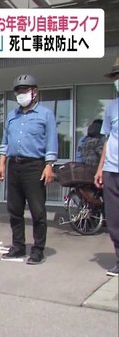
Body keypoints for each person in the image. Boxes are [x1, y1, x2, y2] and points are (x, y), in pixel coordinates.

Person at [0, 74, 58, 265]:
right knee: (14, 209)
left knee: (37, 211)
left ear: (34, 92)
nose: (21, 94)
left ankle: (38, 250)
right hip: (14, 166)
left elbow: (51, 142)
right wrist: (2, 163)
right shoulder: (12, 116)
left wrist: (49, 166)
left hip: (35, 167)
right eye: (18, 91)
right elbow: (5, 142)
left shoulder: (45, 114)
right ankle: (18, 247)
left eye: (24, 90)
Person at [94, 58, 119, 277]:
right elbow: (107, 140)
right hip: (112, 170)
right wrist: (100, 168)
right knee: (114, 218)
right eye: (116, 78)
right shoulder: (112, 107)